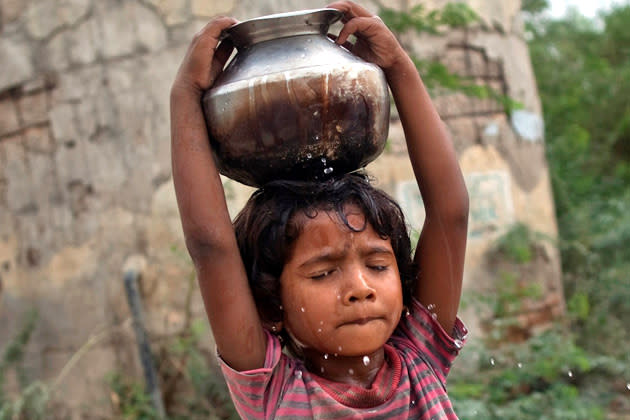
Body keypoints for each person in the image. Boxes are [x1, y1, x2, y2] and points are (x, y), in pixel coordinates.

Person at [170, 1, 470, 418]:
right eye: (324, 272)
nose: (360, 287)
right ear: (273, 307)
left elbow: (449, 213)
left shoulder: (420, 357)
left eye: (379, 265)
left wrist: (398, 68)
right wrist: (185, 96)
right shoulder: (273, 390)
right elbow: (211, 248)